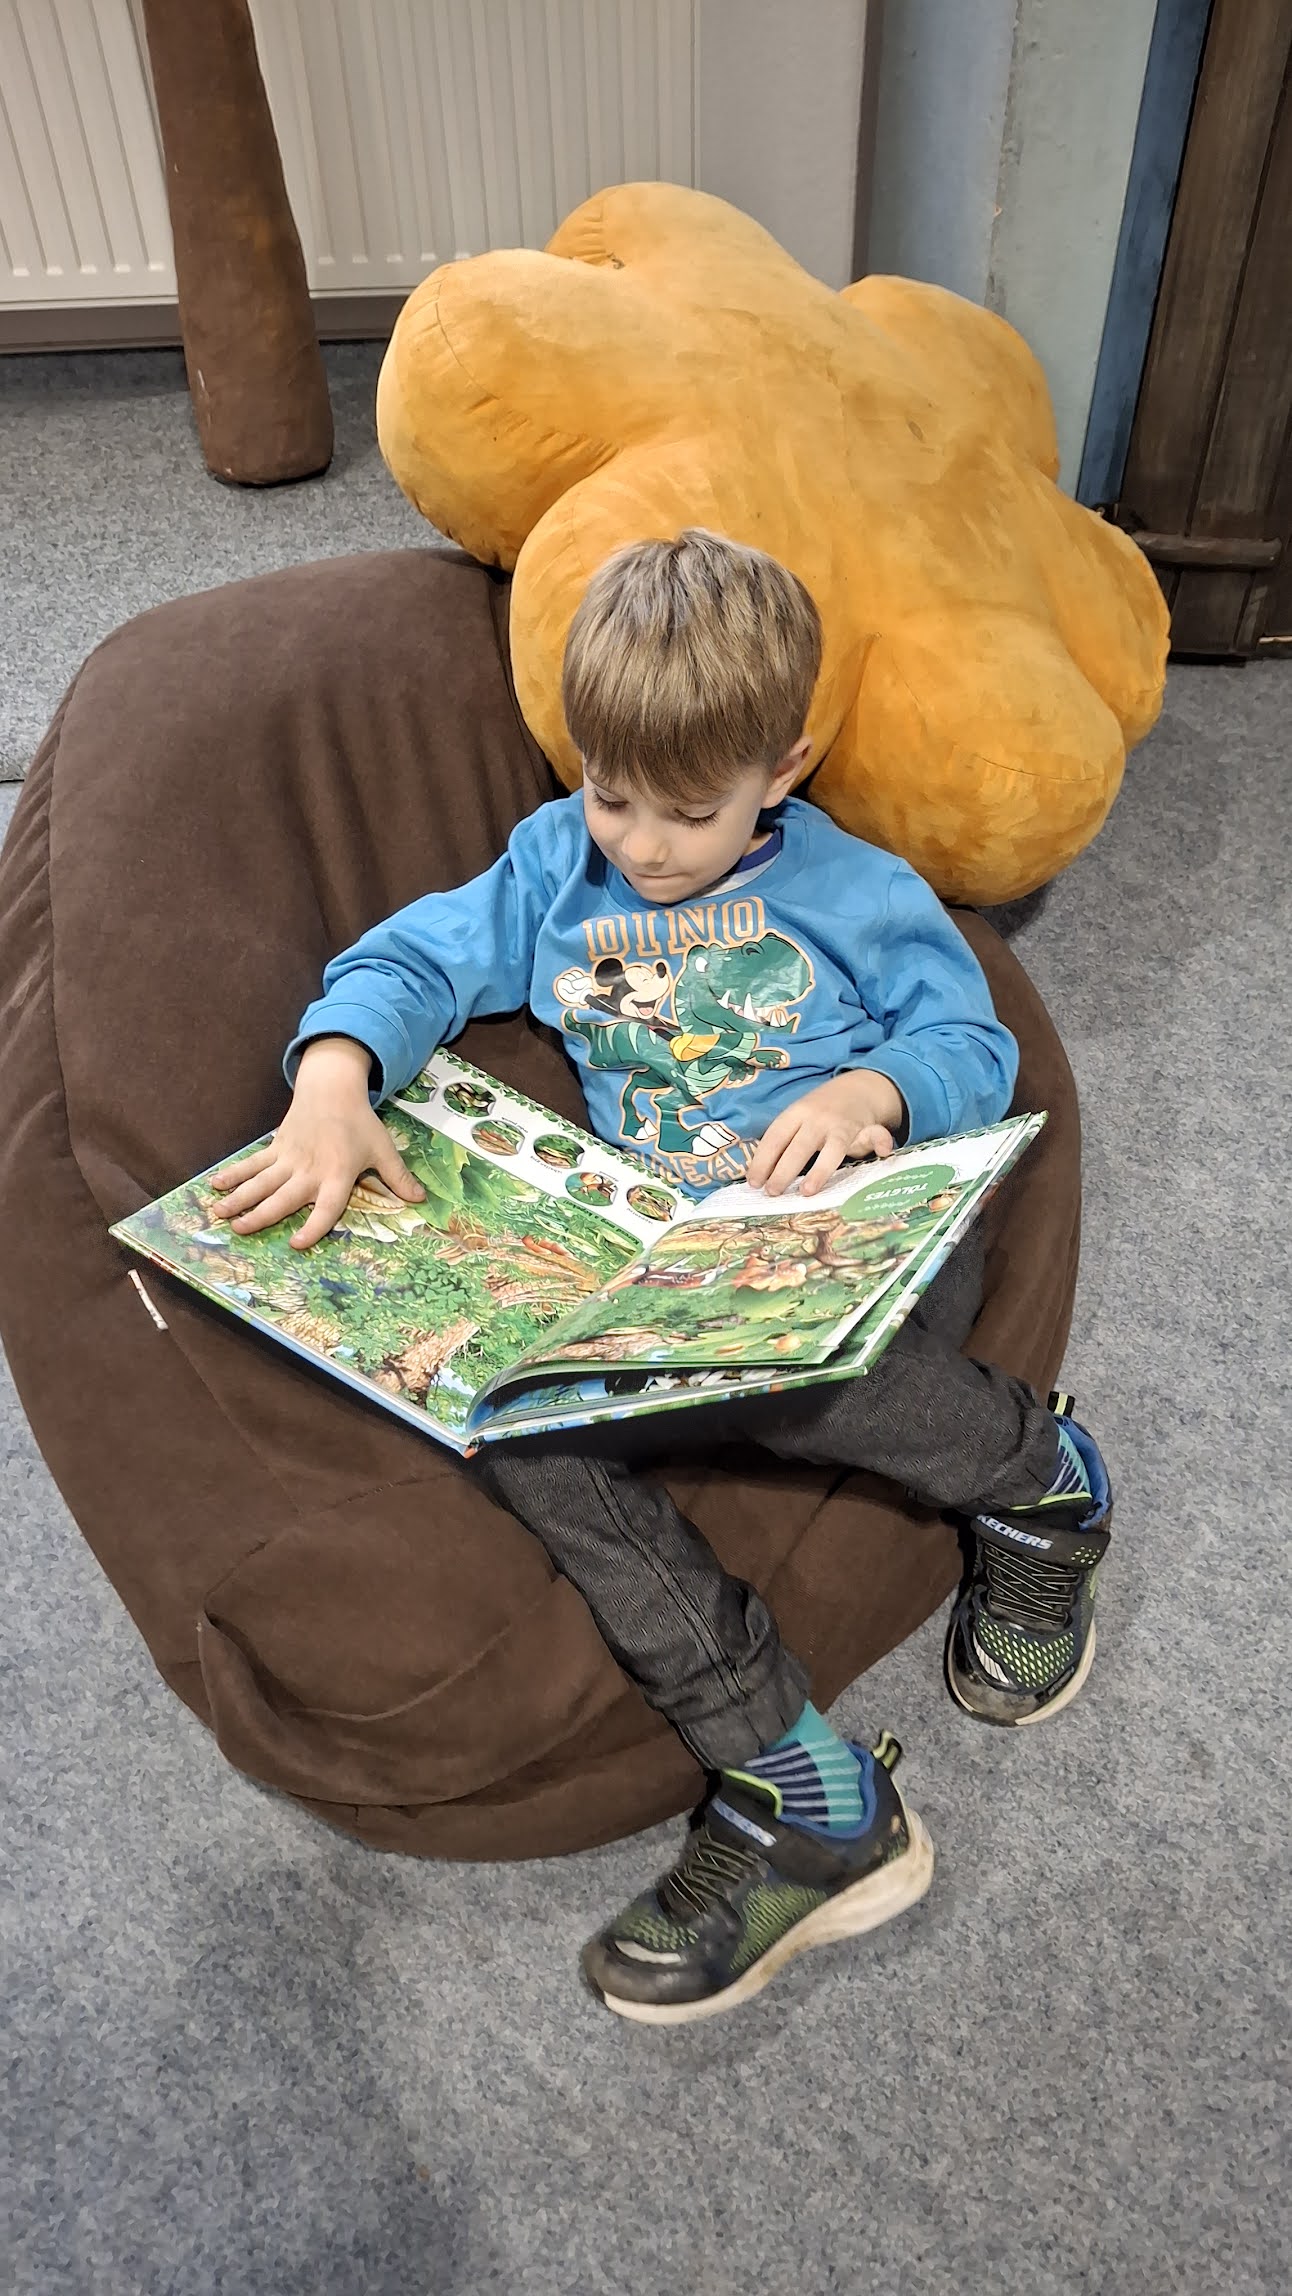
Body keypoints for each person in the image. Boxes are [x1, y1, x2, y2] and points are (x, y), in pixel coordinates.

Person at [210, 531, 1112, 2026]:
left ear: (785, 766)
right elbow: (412, 959)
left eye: (690, 811)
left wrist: (874, 1095)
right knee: (516, 1422)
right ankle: (799, 1785)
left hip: (850, 1243)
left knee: (804, 1382)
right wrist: (332, 1076)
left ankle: (1039, 1478)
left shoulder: (856, 889)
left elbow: (973, 1044)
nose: (641, 844)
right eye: (609, 792)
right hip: (669, 1266)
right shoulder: (553, 869)